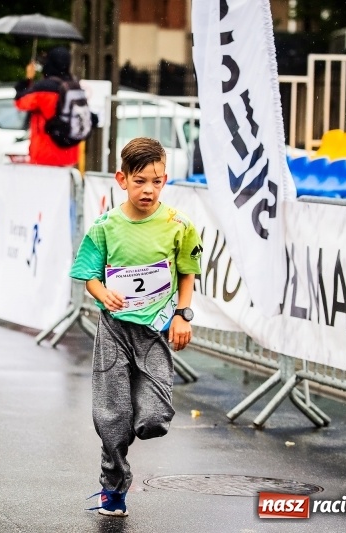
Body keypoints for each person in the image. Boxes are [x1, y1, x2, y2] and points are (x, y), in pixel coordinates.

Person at [69, 137, 203, 517]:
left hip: (154, 332)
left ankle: (124, 430)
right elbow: (88, 274)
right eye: (140, 180)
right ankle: (113, 488)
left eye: (156, 181)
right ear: (122, 179)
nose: (148, 190)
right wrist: (103, 292)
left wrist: (183, 314)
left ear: (165, 181)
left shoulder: (179, 225)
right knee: (111, 417)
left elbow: (188, 272)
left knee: (153, 419)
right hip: (114, 329)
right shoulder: (105, 227)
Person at [14, 46, 83, 166]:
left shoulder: (43, 88)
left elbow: (20, 102)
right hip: (69, 154)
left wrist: (28, 79)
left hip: (45, 155)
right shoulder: (74, 87)